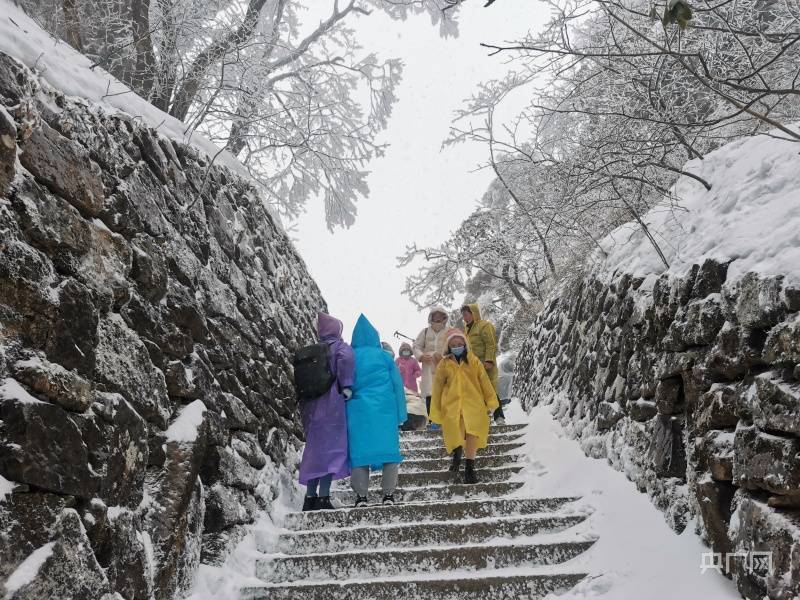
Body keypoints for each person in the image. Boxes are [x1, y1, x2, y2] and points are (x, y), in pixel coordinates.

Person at [347, 315, 408, 507]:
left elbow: (343, 383)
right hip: (385, 410)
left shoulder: (350, 356)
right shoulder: (384, 356)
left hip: (358, 411)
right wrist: (401, 414)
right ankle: (388, 495)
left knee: (359, 454)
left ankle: (361, 497)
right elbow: (397, 385)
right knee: (389, 452)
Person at [298, 313, 355, 511]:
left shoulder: (311, 351)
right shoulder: (340, 347)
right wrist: (347, 385)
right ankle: (323, 497)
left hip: (311, 409)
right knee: (332, 453)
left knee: (315, 455)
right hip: (332, 408)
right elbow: (346, 361)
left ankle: (309, 499)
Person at [430, 328, 499, 484]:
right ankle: (457, 453)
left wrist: (492, 401)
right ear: (448, 346)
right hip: (452, 405)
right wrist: (436, 410)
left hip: (473, 404)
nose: (457, 346)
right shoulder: (444, 364)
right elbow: (438, 387)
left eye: (460, 343)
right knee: (456, 432)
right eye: (453, 344)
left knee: (472, 433)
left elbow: (484, 382)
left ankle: (469, 467)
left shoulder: (473, 361)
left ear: (465, 344)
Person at [461, 303, 504, 424]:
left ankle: (499, 417)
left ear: (473, 313)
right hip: (474, 366)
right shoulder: (466, 330)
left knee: (490, 390)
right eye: (463, 315)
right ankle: (484, 419)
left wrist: (489, 360)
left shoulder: (484, 325)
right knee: (478, 392)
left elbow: (490, 343)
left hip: (486, 365)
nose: (465, 317)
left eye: (466, 314)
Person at [413, 306, 449, 426]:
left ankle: (445, 419)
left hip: (444, 365)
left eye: (440, 316)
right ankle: (431, 420)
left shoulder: (449, 331)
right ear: (431, 317)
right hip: (428, 366)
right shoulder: (425, 331)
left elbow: (453, 347)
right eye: (435, 316)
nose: (437, 318)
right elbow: (416, 346)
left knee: (444, 391)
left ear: (444, 317)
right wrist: (421, 356)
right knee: (429, 392)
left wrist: (444, 358)